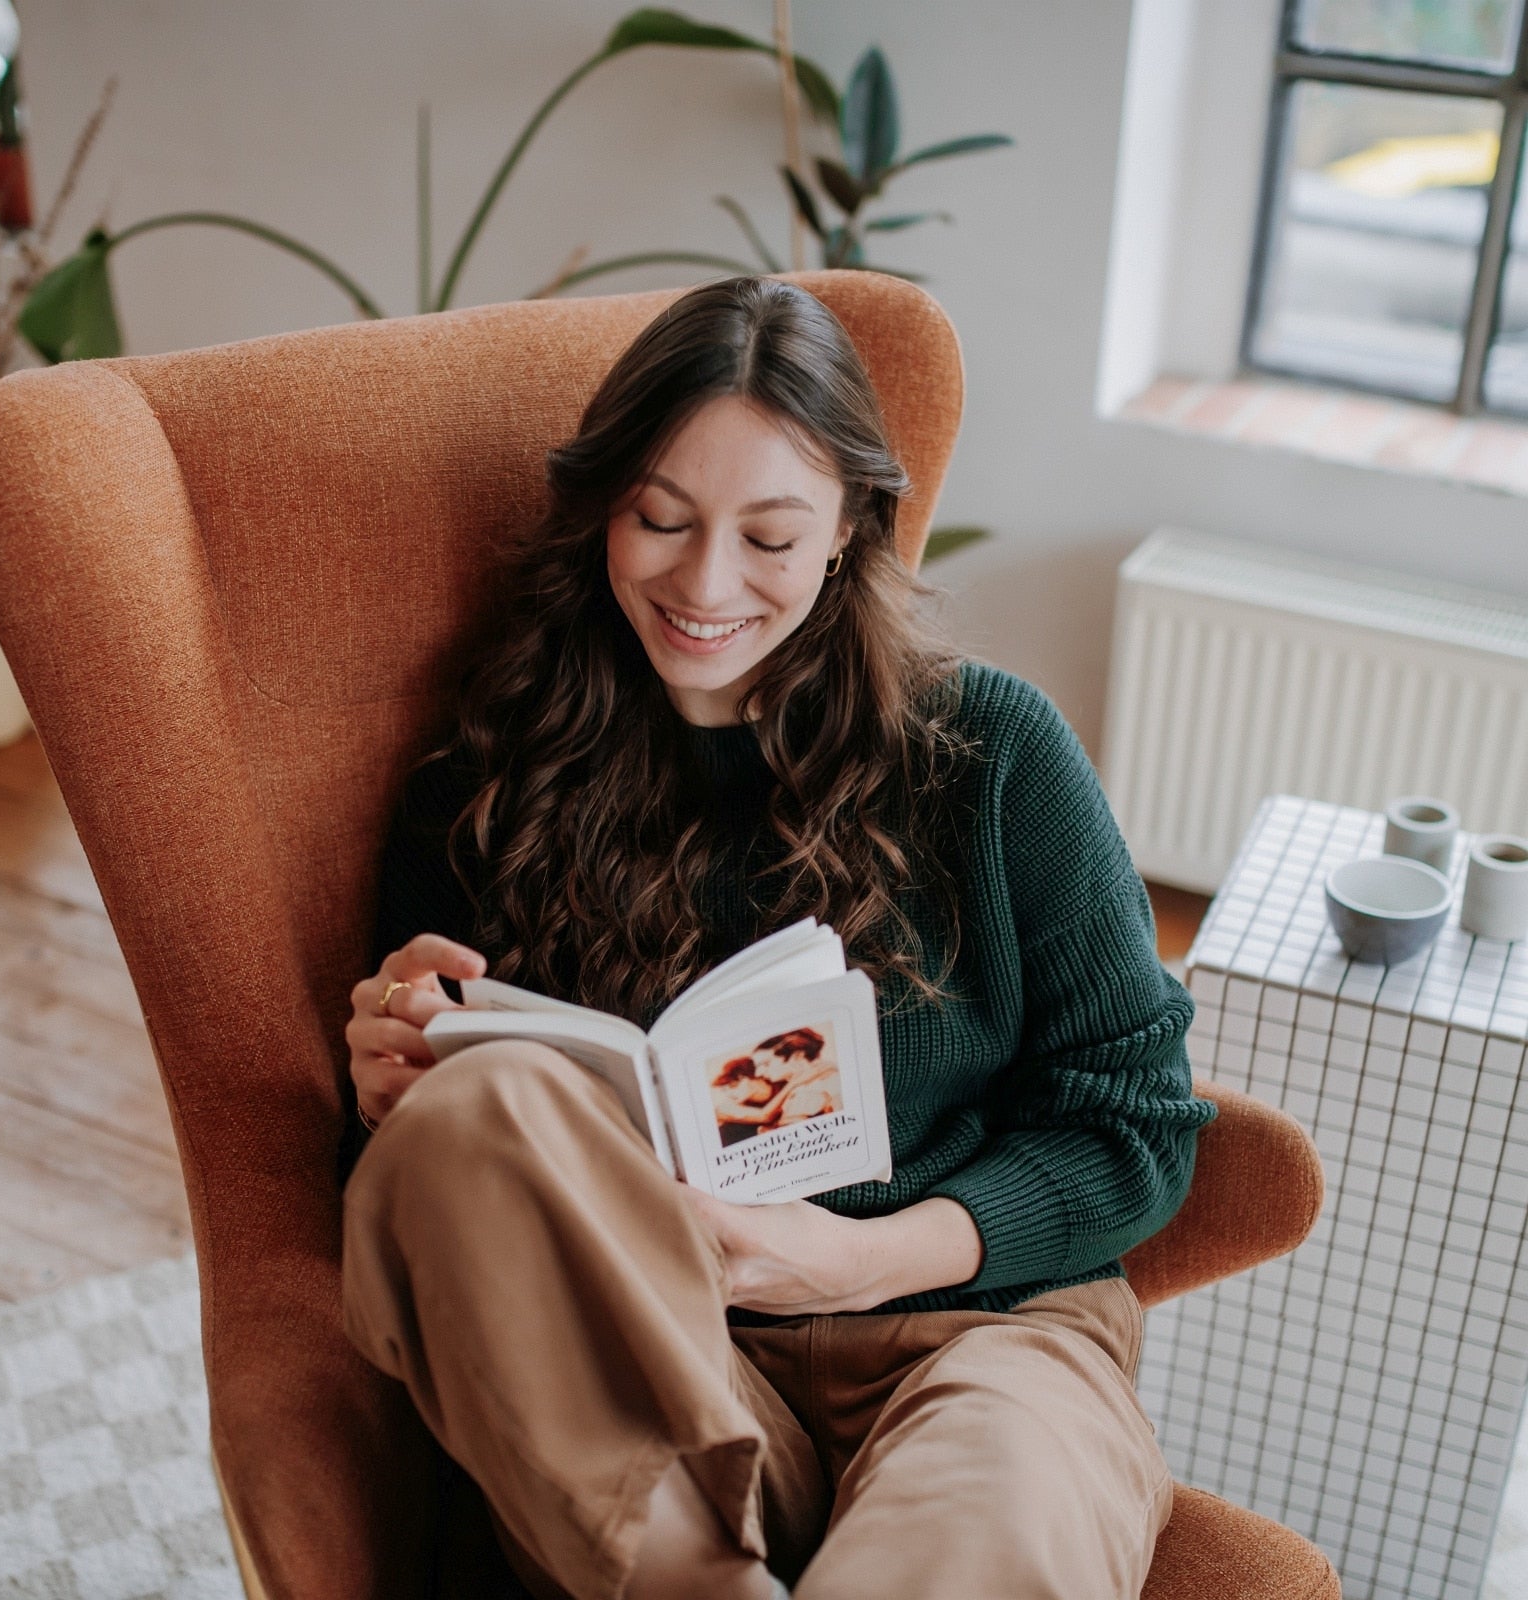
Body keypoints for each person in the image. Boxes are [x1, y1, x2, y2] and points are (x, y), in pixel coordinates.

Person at [337, 274, 1217, 1600]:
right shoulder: (480, 782)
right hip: (660, 1371)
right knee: (474, 1113)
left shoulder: (988, 757)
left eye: (768, 535)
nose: (704, 583)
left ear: (855, 527)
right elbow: (455, 1222)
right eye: (662, 518)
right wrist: (389, 1083)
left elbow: (1136, 1129)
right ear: (603, 511)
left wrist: (861, 1257)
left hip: (976, 1345)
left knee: (995, 1516)